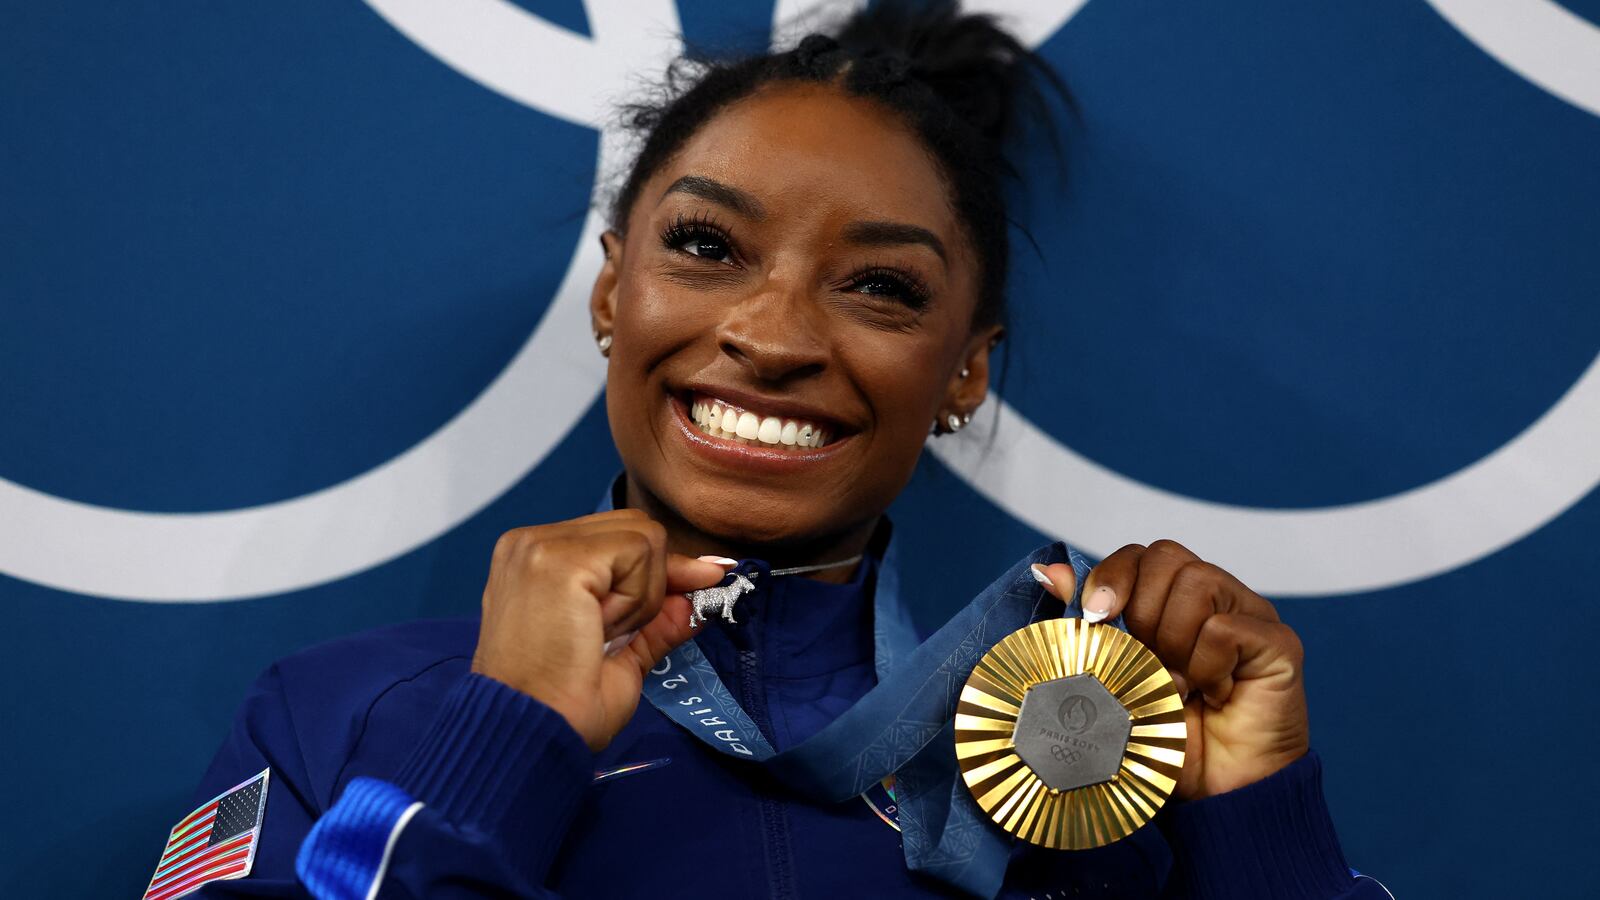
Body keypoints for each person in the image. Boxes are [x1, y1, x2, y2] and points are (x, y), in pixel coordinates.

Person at [157, 3, 1389, 898]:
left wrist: (1256, 827)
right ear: (610, 293)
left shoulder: (1100, 751)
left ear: (964, 369)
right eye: (705, 246)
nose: (774, 335)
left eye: (880, 287)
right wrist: (501, 740)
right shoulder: (334, 714)